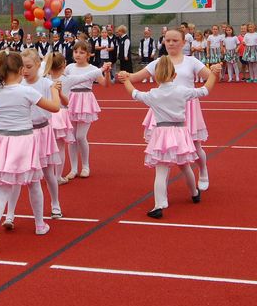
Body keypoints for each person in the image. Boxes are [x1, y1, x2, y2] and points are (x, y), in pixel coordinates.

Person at [0, 51, 61, 251]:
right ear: (21, 70)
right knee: (33, 183)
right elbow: (55, 108)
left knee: (2, 190)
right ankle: (39, 225)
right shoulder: (26, 91)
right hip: (24, 140)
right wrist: (55, 89)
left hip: (3, 140)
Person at [121, 56, 219, 219]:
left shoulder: (153, 94)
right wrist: (214, 74)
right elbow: (205, 90)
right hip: (180, 132)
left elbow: (135, 93)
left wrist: (125, 80)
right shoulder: (182, 91)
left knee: (161, 170)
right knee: (185, 165)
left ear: (156, 77)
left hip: (162, 133)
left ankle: (159, 205)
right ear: (174, 76)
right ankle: (194, 193)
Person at [119, 29, 216, 191]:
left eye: (175, 40)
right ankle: (162, 185)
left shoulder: (191, 61)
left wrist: (215, 71)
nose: (171, 43)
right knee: (165, 146)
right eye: (168, 40)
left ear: (184, 42)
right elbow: (135, 76)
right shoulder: (160, 62)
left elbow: (209, 77)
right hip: (163, 107)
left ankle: (203, 170)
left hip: (188, 107)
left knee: (195, 146)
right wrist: (124, 75)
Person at [2, 49, 64, 227]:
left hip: (42, 132)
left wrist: (55, 90)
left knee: (47, 173)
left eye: (29, 66)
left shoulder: (46, 83)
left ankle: (55, 203)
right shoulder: (18, 84)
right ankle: (10, 214)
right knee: (16, 174)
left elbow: (55, 105)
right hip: (23, 134)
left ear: (38, 65)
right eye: (23, 67)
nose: (25, 71)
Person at [63, 40, 111, 179]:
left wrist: (107, 73)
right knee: (71, 138)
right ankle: (73, 168)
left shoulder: (93, 69)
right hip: (71, 100)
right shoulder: (69, 67)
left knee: (80, 136)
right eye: (76, 52)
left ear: (89, 54)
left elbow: (105, 84)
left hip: (85, 101)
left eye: (82, 52)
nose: (78, 55)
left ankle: (85, 166)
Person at [42, 52, 76, 186]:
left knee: (46, 147)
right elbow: (67, 102)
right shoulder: (66, 79)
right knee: (60, 147)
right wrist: (101, 70)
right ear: (63, 65)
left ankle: (47, 174)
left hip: (47, 113)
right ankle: (58, 177)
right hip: (60, 114)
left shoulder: (43, 78)